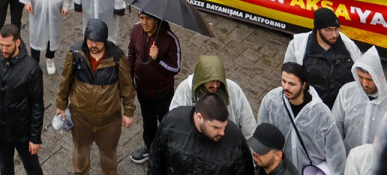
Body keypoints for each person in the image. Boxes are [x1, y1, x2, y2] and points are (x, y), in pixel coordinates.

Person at [54, 19, 135, 175]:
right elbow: (65, 81)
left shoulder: (117, 57)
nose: (94, 45)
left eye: (98, 41)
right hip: (80, 118)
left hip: (109, 121)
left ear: (104, 40)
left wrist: (129, 112)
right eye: (91, 41)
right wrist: (60, 105)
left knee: (109, 157)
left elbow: (126, 86)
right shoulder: (75, 53)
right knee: (80, 154)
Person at [256, 62, 347, 175]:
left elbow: (335, 151)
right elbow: (261, 136)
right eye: (283, 81)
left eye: (292, 84)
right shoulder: (271, 101)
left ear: (303, 85)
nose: (286, 87)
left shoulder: (322, 114)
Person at [0, 24, 45, 175]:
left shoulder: (32, 69)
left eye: (8, 45)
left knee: (32, 168)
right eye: (1, 45)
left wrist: (35, 138)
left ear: (18, 42)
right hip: (1, 130)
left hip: (23, 132)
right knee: (5, 166)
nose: (3, 49)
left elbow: (37, 106)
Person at [146, 93, 255, 175]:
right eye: (216, 127)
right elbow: (156, 160)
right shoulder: (172, 123)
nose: (222, 133)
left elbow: (244, 170)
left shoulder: (234, 137)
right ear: (199, 118)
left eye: (224, 126)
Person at [125, 11, 181, 165]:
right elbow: (131, 54)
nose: (144, 22)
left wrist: (158, 59)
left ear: (156, 19)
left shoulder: (170, 39)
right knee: (148, 121)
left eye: (148, 18)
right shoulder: (136, 30)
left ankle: (165, 151)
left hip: (163, 92)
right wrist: (130, 82)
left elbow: (175, 68)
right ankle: (149, 148)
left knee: (165, 123)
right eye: (141, 18)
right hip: (143, 90)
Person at [283, 8, 362, 108]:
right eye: (328, 30)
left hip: (342, 107)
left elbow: (361, 74)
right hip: (311, 107)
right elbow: (289, 76)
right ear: (317, 29)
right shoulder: (298, 46)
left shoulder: (349, 47)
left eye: (336, 29)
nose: (334, 35)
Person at [329, 47, 387, 153]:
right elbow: (335, 127)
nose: (364, 84)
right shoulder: (347, 93)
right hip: (348, 158)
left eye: (369, 79)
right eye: (360, 77)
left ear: (379, 77)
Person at [170, 54, 257, 140]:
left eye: (218, 81)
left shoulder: (233, 90)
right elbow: (175, 120)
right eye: (210, 81)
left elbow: (248, 124)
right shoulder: (185, 90)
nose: (215, 86)